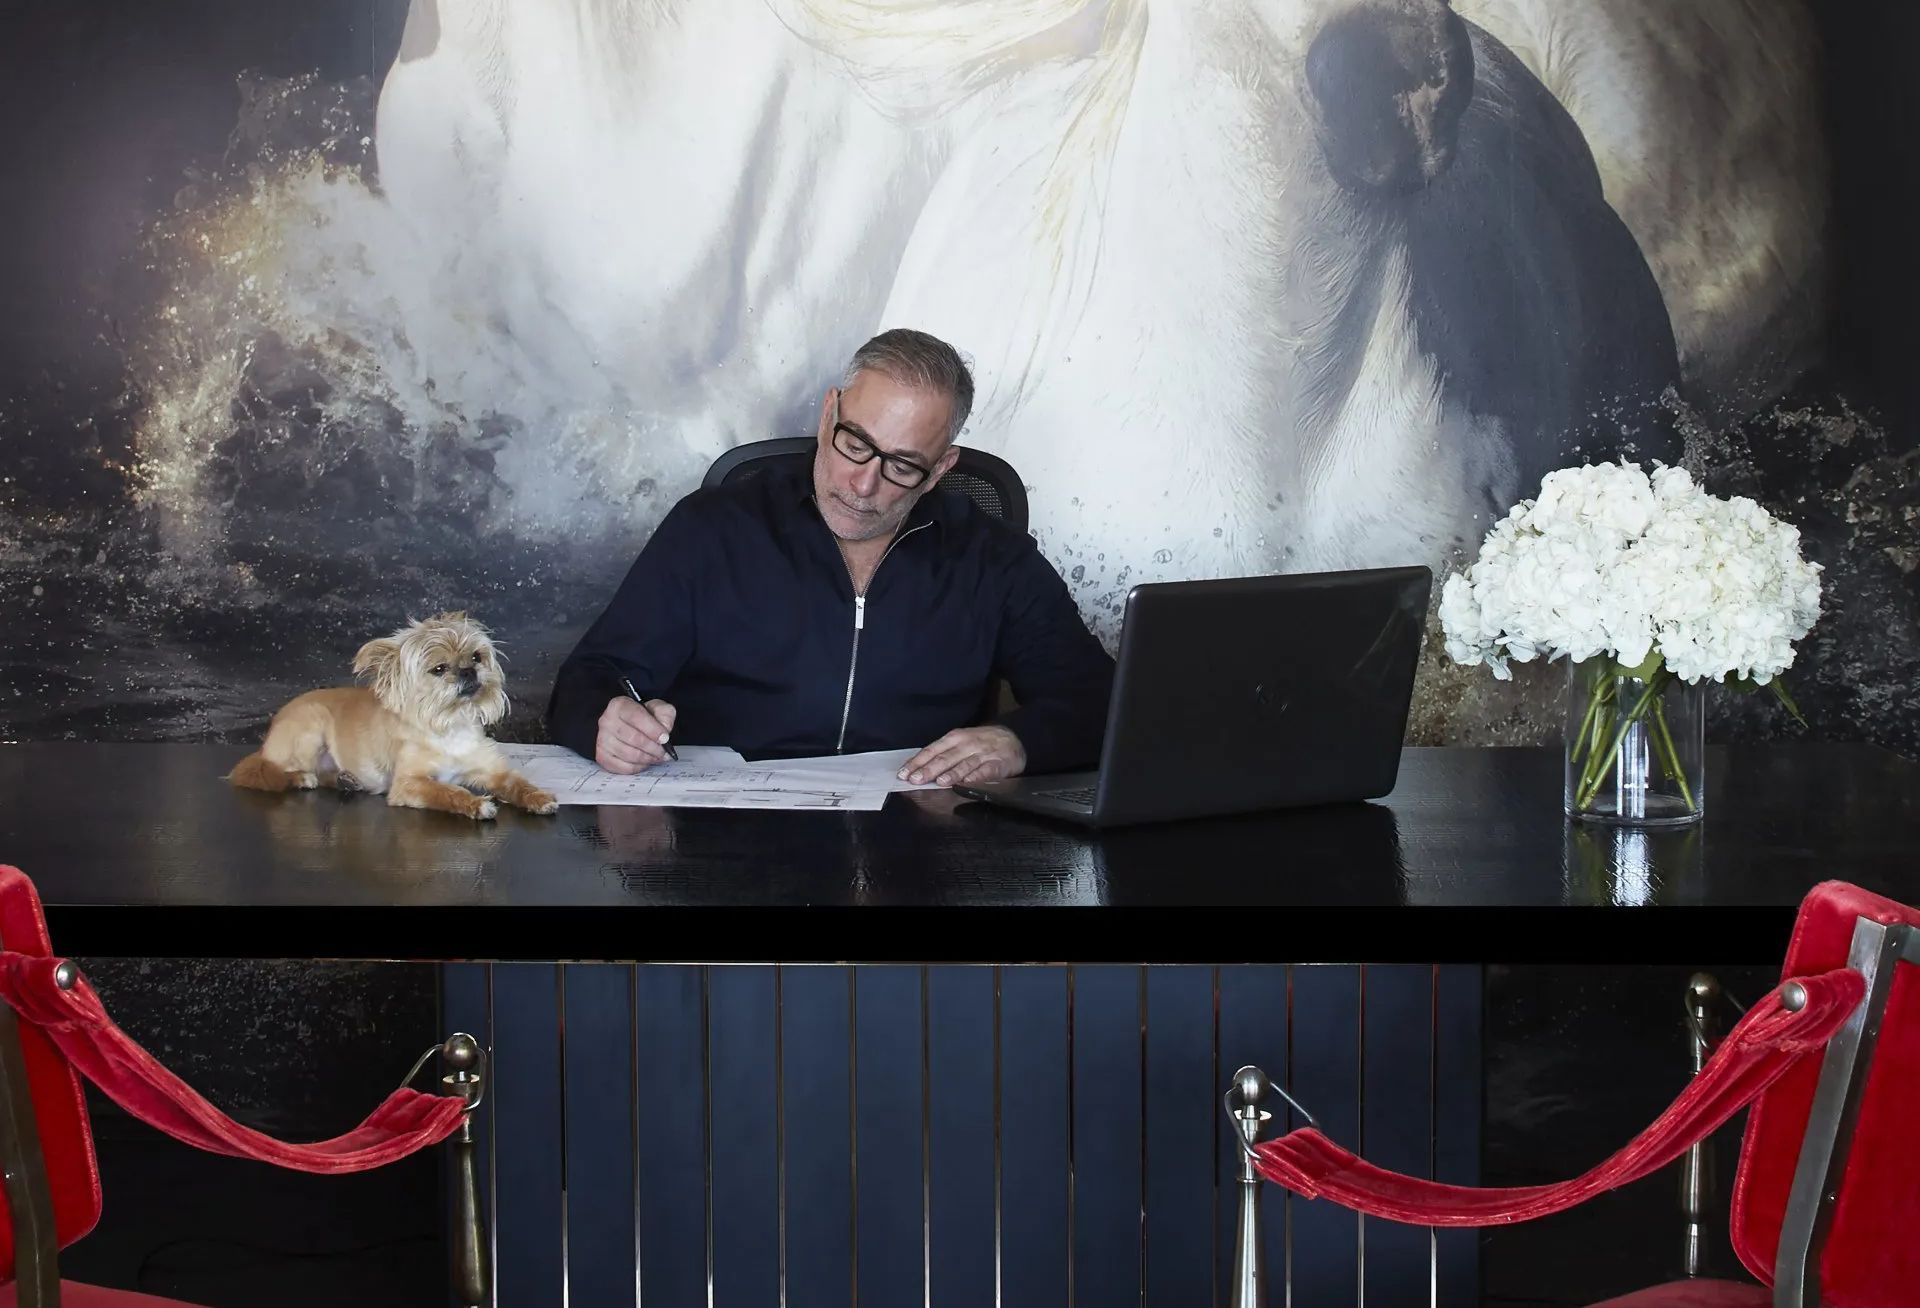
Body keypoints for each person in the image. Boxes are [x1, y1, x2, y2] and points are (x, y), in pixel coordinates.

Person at [545, 329, 1114, 787]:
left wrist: (1020, 742)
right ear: (827, 415)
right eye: (855, 443)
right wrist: (607, 719)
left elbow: (1102, 704)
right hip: (723, 845)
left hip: (919, 849)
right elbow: (589, 677)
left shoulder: (992, 559)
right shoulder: (714, 528)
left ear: (941, 469)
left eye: (902, 466)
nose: (863, 485)